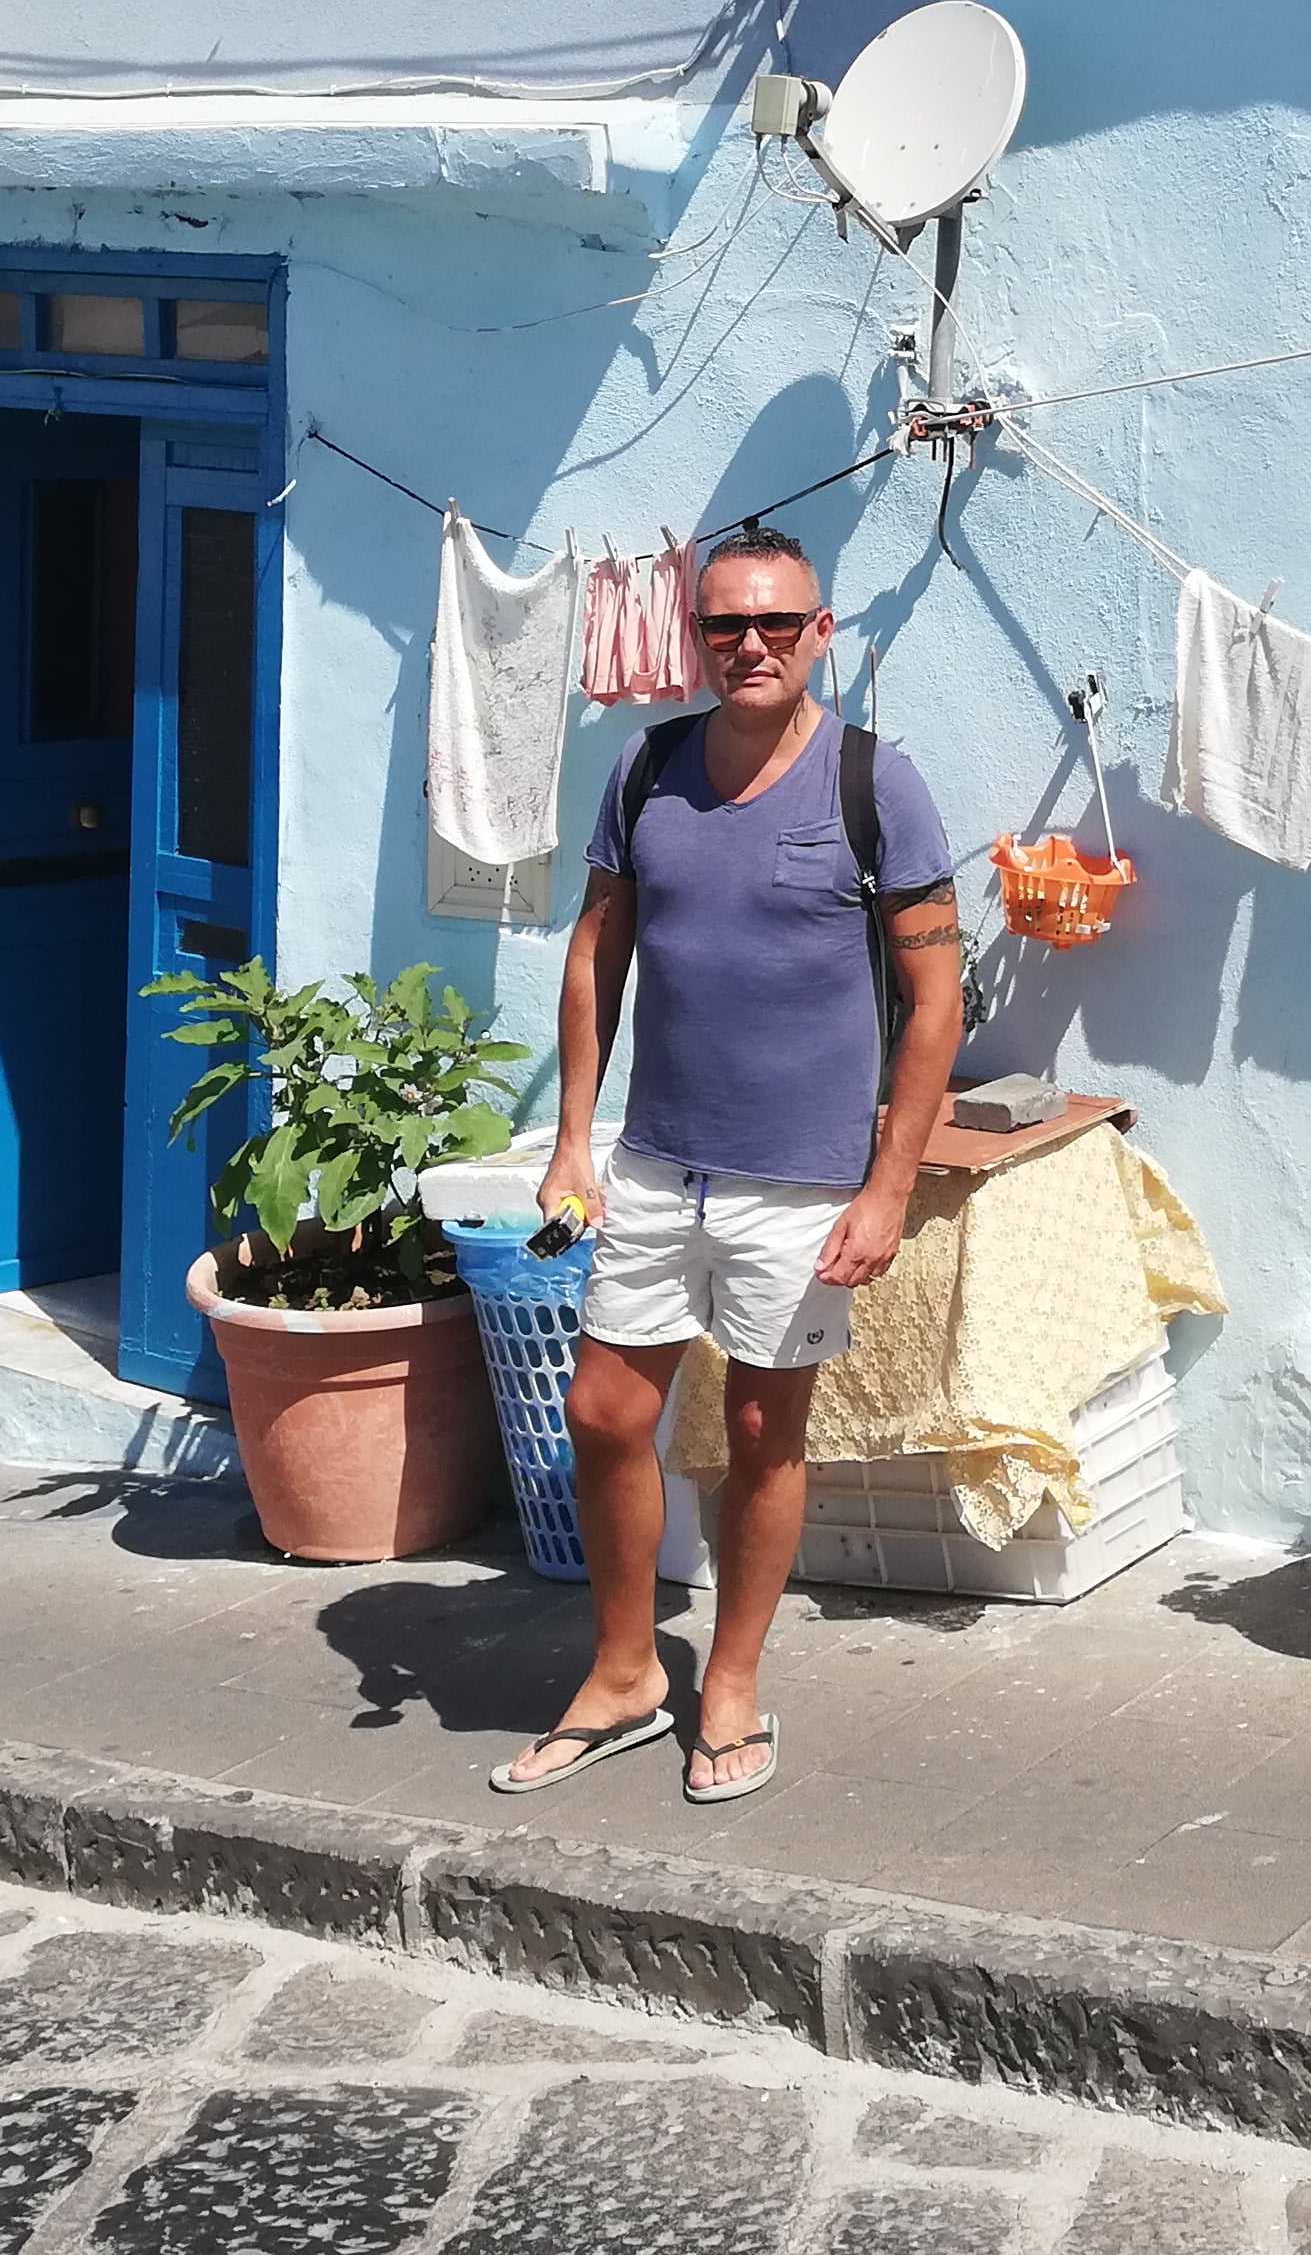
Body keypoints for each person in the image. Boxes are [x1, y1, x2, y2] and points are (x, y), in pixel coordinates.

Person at [492, 521, 961, 1808]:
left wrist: (888, 1186)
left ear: (821, 633)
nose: (748, 645)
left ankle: (735, 1682)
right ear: (693, 640)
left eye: (775, 623)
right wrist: (574, 1141)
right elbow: (597, 952)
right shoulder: (646, 770)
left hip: (802, 1180)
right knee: (602, 1415)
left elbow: (935, 1000)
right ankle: (629, 1671)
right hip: (652, 1165)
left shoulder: (875, 783)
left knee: (762, 1429)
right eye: (722, 626)